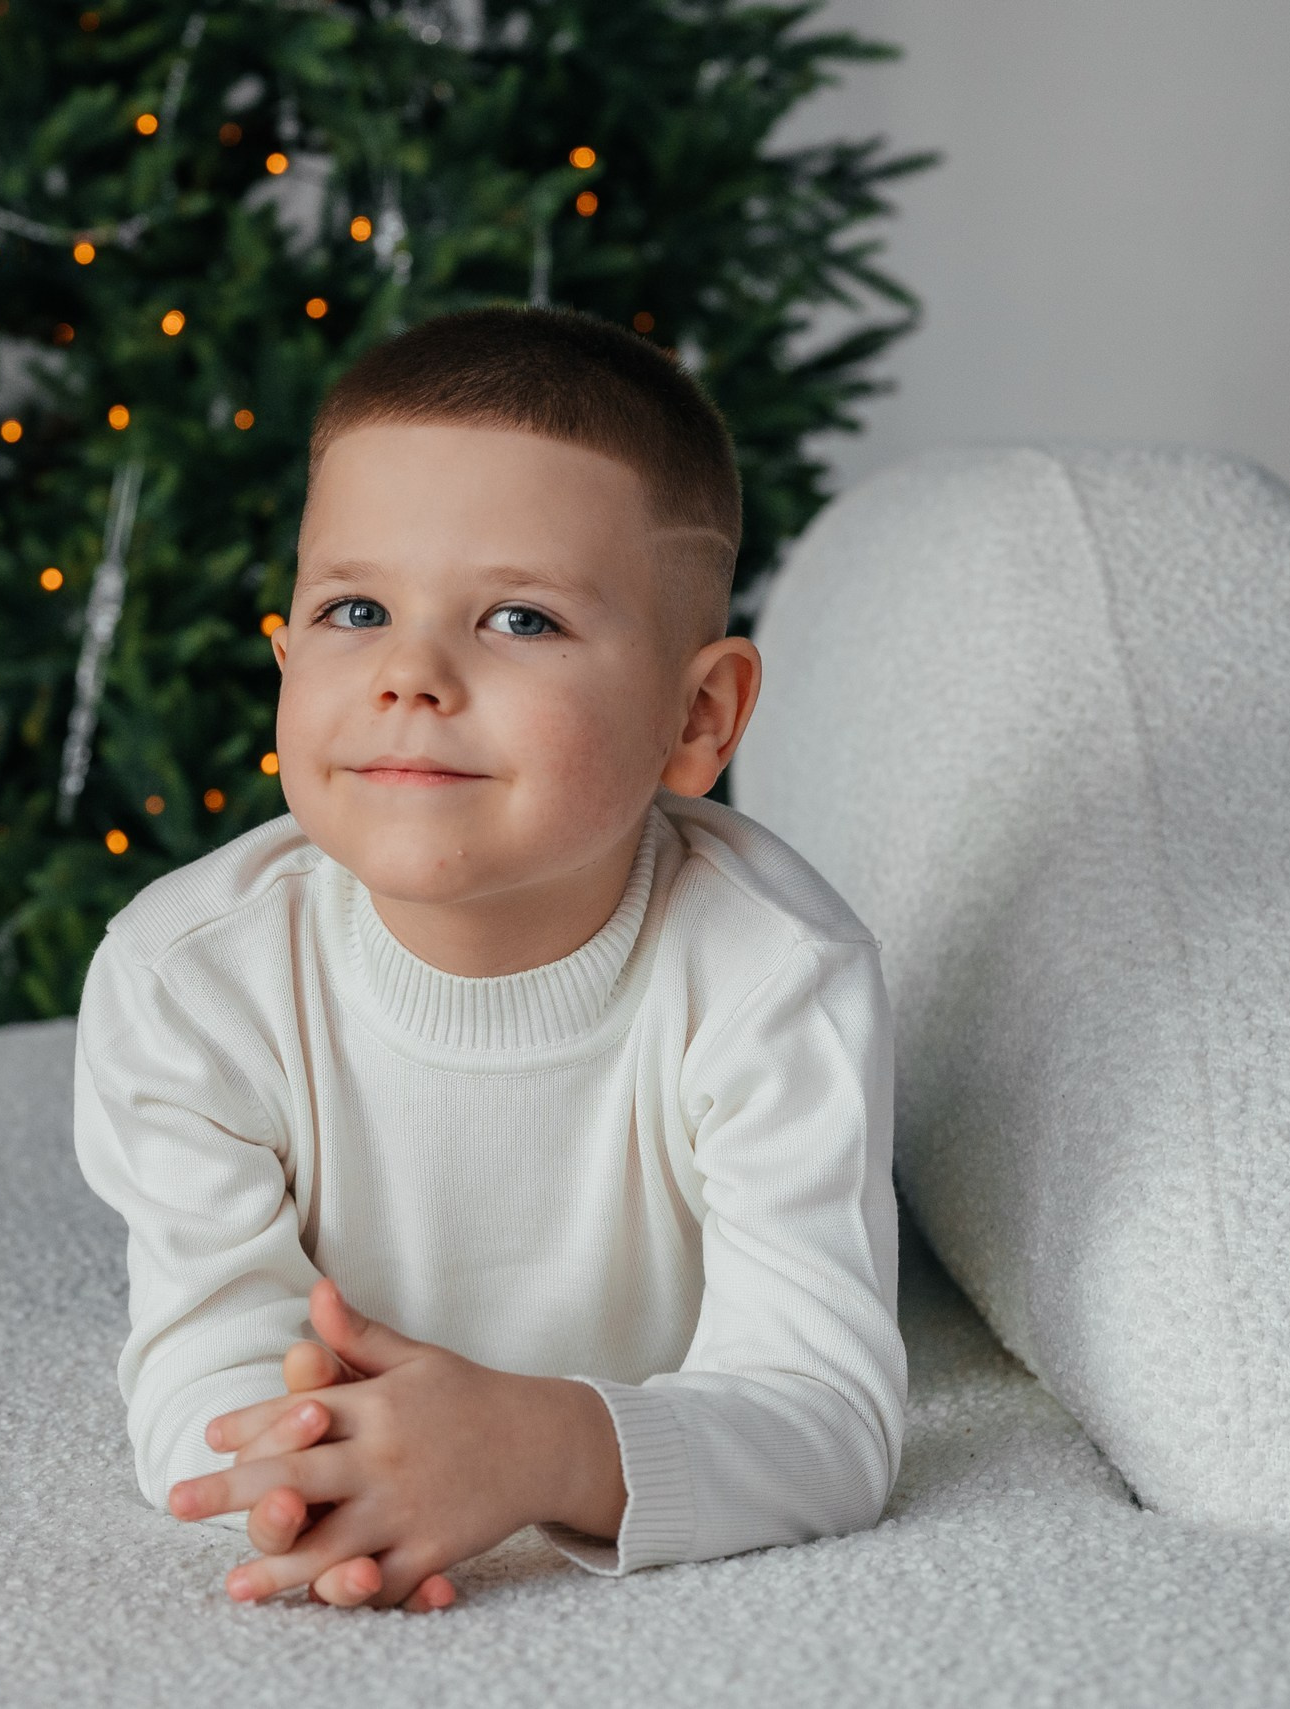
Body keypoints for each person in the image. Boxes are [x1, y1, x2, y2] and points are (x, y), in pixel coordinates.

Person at [71, 306, 904, 1613]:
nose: (411, 671)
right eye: (355, 607)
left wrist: (544, 1446)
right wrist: (321, 1491)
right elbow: (204, 1359)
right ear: (284, 659)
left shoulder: (772, 974)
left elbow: (828, 1413)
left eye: (519, 618)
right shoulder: (188, 981)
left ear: (697, 718)